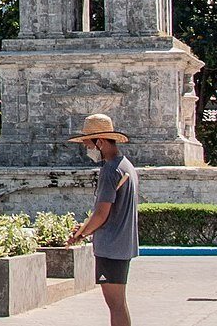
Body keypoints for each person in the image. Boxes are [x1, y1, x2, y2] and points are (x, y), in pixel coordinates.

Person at [65, 114, 138, 326]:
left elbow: (101, 213)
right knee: (119, 303)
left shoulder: (110, 170)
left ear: (101, 142)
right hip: (122, 244)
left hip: (111, 246)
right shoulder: (126, 166)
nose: (87, 148)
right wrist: (86, 228)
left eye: (88, 143)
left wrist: (81, 234)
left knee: (115, 304)